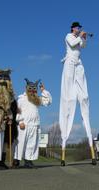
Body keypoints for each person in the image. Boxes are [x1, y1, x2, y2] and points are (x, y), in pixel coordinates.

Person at [59, 22, 96, 166]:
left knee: (84, 96)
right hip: (69, 63)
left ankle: (92, 149)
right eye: (77, 28)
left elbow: (82, 46)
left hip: (78, 65)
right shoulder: (68, 36)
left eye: (80, 28)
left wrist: (84, 38)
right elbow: (73, 44)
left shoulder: (78, 37)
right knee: (68, 96)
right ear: (73, 28)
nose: (79, 29)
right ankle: (63, 146)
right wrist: (80, 36)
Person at [13, 79, 52, 168]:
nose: (32, 90)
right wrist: (20, 121)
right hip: (24, 125)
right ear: (26, 88)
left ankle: (28, 161)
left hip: (34, 125)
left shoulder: (37, 99)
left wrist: (43, 90)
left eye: (34, 89)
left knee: (31, 144)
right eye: (30, 88)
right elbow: (17, 110)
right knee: (20, 143)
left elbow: (48, 101)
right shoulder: (21, 98)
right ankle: (16, 161)